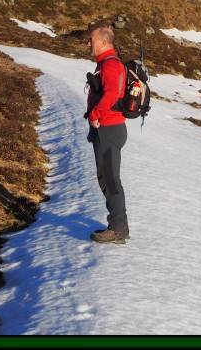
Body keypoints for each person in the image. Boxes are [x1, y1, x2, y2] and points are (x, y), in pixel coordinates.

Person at [85, 26, 130, 244]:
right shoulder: (106, 63)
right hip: (108, 129)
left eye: (90, 40)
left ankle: (118, 229)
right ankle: (118, 225)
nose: (88, 44)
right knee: (106, 178)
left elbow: (112, 94)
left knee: (110, 180)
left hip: (109, 129)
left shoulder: (111, 64)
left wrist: (95, 112)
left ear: (103, 42)